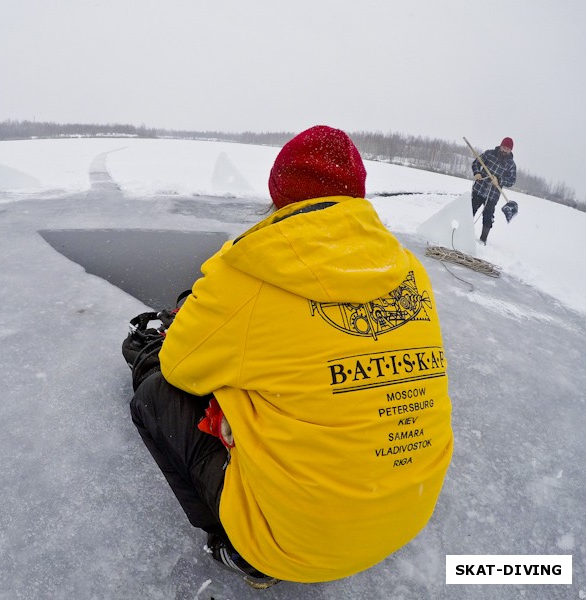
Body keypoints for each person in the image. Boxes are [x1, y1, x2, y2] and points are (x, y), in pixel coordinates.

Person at [126, 126, 454, 586]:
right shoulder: (408, 269)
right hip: (404, 515)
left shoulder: (252, 269)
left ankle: (241, 551)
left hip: (295, 545)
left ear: (279, 193)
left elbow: (178, 367)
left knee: (154, 394)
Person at [471, 137, 517, 244]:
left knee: (488, 217)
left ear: (511, 150)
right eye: (504, 147)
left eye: (508, 149)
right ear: (501, 146)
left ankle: (483, 240)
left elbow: (512, 181)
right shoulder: (489, 154)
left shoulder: (511, 165)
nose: (505, 150)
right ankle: (462, 231)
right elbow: (476, 162)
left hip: (493, 196)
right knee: (469, 211)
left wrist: (500, 180)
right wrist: (477, 172)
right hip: (479, 189)